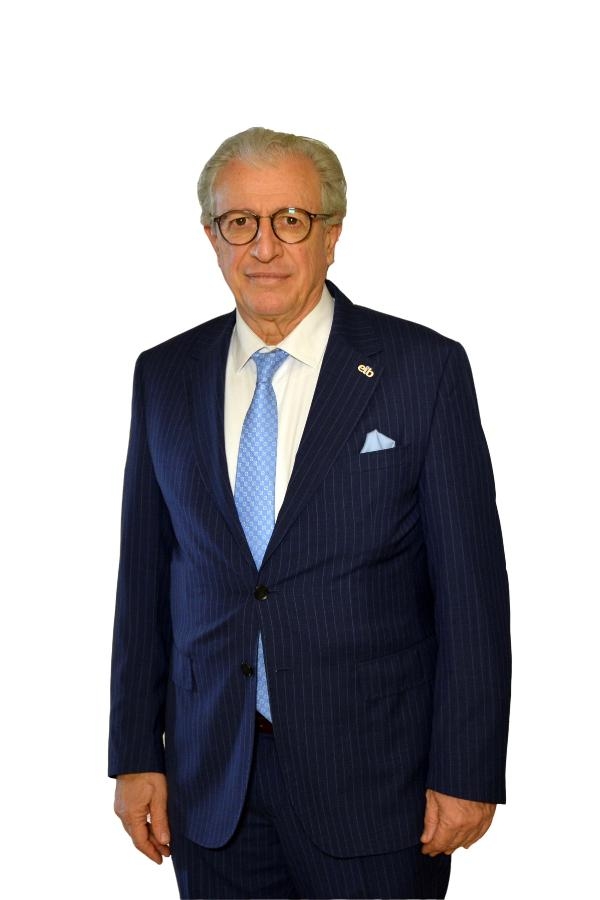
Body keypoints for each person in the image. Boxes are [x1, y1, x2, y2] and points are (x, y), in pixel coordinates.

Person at [109, 126, 511, 900]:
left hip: (379, 786)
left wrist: (467, 768)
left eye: (290, 220)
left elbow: (471, 591)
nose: (264, 247)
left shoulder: (422, 370)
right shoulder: (164, 376)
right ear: (212, 236)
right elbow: (145, 583)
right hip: (210, 785)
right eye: (240, 222)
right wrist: (134, 754)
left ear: (331, 234)